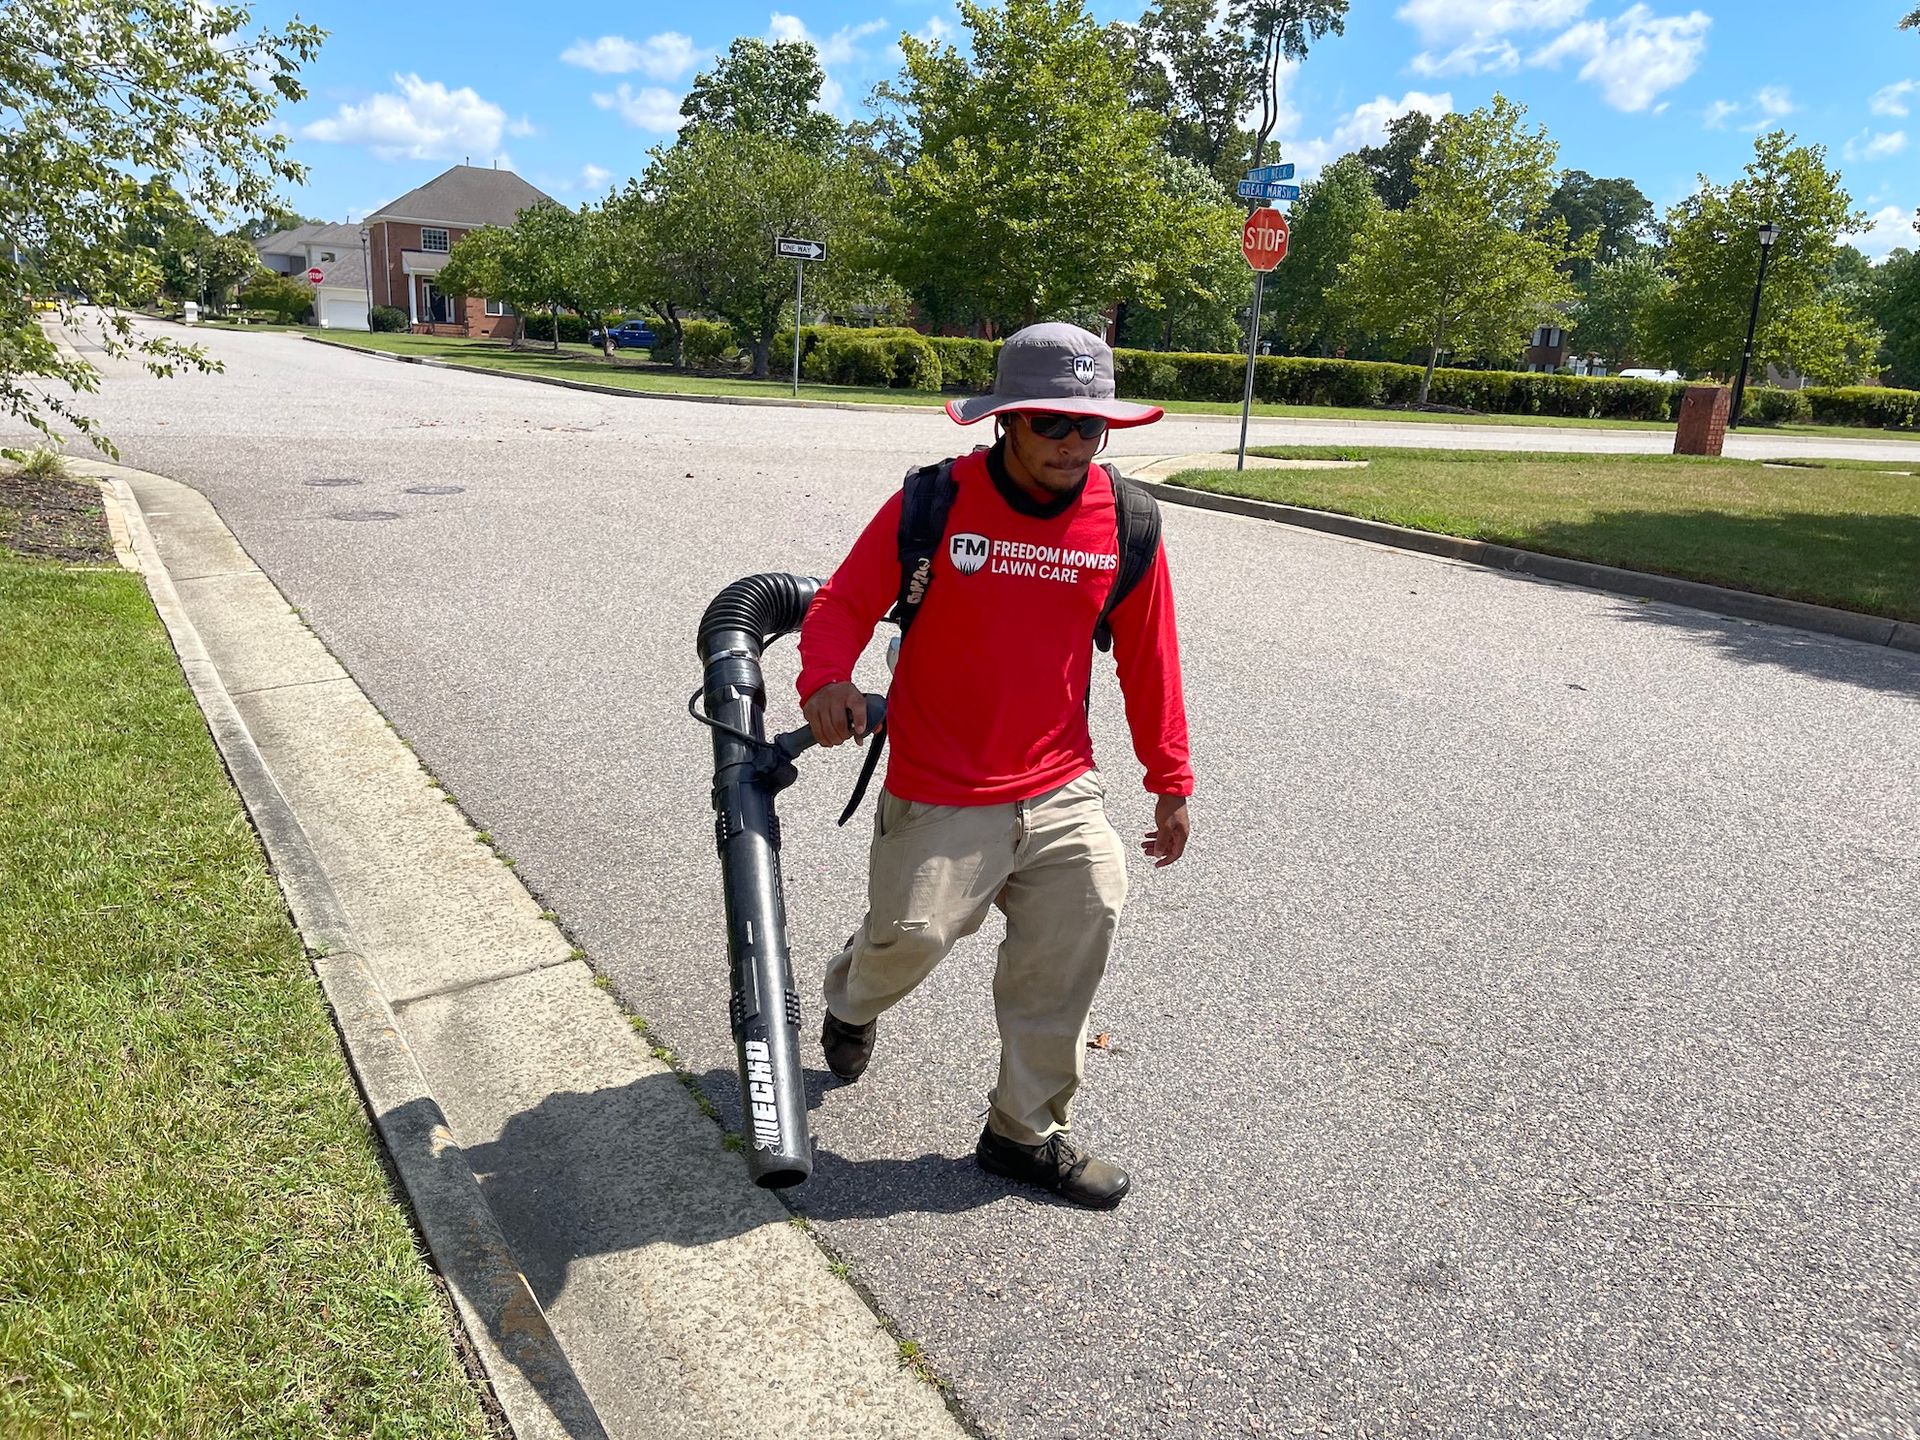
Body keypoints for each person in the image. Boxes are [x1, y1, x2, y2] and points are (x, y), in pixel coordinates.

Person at [796, 322, 1193, 1210]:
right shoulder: (933, 504)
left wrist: (1170, 780)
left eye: (1089, 426)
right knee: (914, 939)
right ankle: (853, 997)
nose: (1071, 442)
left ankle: (1023, 1132)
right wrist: (824, 678)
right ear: (1007, 420)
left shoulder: (1123, 521)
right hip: (940, 780)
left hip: (1060, 780)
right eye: (1052, 423)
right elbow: (843, 600)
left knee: (1085, 918)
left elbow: (1149, 657)